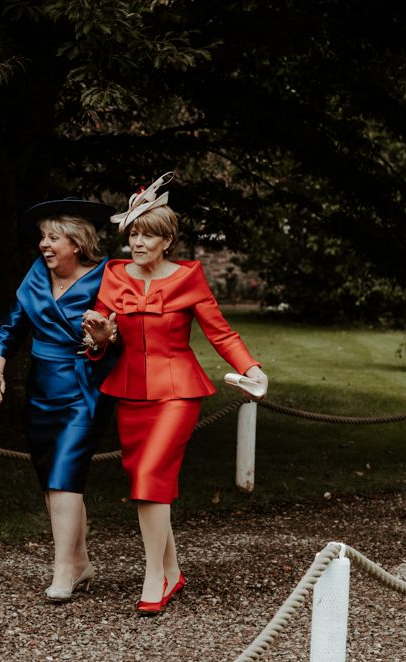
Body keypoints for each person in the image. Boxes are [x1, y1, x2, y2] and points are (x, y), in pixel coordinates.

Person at [82, 172, 268, 615]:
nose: (138, 243)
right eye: (133, 234)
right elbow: (98, 339)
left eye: (148, 235)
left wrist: (251, 368)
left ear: (168, 240)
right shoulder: (113, 276)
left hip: (177, 391)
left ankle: (155, 578)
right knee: (148, 482)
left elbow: (221, 334)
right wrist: (99, 338)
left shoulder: (189, 279)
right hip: (129, 391)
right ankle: (173, 570)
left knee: (150, 477)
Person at [0, 196, 116, 603]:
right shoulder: (36, 279)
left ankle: (62, 571)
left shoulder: (105, 278)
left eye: (54, 237)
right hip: (41, 391)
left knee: (65, 475)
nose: (44, 244)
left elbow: (118, 336)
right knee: (52, 479)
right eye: (43, 237)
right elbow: (11, 326)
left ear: (76, 244)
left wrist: (100, 338)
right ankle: (79, 562)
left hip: (83, 388)